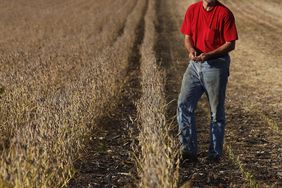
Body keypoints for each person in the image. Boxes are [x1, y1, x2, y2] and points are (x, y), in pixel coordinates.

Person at [177, 0, 238, 162]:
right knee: (184, 104)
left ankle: (214, 155)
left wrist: (209, 55)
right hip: (194, 65)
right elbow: (187, 37)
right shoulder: (192, 9)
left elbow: (230, 44)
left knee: (216, 112)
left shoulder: (224, 13)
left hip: (216, 65)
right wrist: (191, 51)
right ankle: (188, 151)